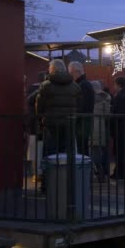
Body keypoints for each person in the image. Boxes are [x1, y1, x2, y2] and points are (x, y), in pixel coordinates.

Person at [36, 59, 82, 191]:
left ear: (53, 69)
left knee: (50, 153)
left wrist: (41, 119)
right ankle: (67, 184)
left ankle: (48, 184)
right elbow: (80, 104)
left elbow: (39, 105)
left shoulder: (46, 85)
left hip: (51, 124)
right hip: (69, 124)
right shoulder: (74, 86)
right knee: (67, 154)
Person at [68, 61, 95, 156]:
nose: (70, 76)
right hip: (83, 122)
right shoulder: (85, 84)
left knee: (82, 150)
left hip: (82, 123)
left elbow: (82, 106)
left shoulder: (82, 85)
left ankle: (84, 170)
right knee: (82, 149)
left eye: (71, 73)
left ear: (77, 71)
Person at [110, 76, 125, 180]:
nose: (113, 86)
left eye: (114, 84)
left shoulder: (120, 96)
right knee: (121, 150)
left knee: (119, 151)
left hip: (120, 127)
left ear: (119, 85)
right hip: (123, 127)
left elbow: (119, 112)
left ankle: (120, 173)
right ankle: (121, 172)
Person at [90, 80, 111, 182]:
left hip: (91, 126)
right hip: (101, 126)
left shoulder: (90, 98)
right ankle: (101, 173)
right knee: (98, 151)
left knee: (91, 151)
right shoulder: (106, 98)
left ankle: (95, 173)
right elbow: (107, 115)